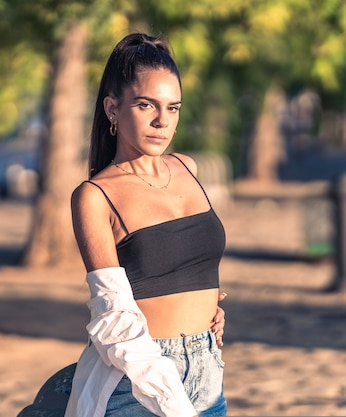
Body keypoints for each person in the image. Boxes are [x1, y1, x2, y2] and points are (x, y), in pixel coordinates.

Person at [64, 33, 228, 417]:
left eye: (173, 108)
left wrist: (207, 306)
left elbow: (186, 266)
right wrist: (172, 400)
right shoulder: (94, 195)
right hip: (137, 384)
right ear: (112, 108)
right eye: (145, 105)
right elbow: (112, 317)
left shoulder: (187, 167)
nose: (162, 121)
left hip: (208, 375)